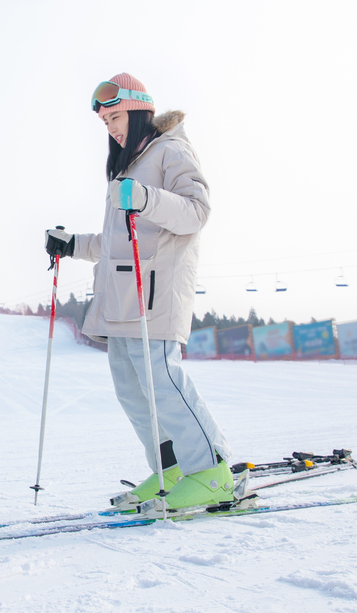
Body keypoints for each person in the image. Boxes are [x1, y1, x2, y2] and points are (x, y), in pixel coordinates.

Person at [44, 73, 234, 510]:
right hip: (123, 297)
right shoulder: (129, 167)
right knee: (133, 389)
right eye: (105, 121)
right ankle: (169, 470)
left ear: (138, 110)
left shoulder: (170, 150)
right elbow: (114, 244)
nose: (111, 127)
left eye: (116, 116)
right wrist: (71, 244)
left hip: (157, 293)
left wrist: (146, 198)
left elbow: (196, 212)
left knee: (162, 381)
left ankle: (212, 471)